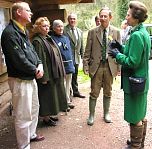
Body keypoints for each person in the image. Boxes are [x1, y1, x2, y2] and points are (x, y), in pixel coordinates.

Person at [1, 2, 45, 149]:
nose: (31, 13)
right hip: (20, 80)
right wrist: (35, 70)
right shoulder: (9, 33)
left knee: (34, 108)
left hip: (30, 78)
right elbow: (18, 59)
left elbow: (31, 52)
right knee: (22, 114)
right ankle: (23, 145)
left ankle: (31, 134)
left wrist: (39, 63)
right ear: (18, 12)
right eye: (28, 10)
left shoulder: (23, 30)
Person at [109, 1, 150, 148]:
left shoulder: (136, 35)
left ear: (136, 17)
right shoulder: (142, 32)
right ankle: (139, 143)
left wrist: (117, 55)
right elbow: (135, 51)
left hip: (135, 82)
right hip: (141, 81)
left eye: (128, 14)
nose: (126, 17)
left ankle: (135, 146)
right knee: (140, 113)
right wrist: (121, 47)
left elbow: (133, 61)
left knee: (134, 116)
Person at [83, 6, 121, 126]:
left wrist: (119, 68)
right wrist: (85, 66)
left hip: (110, 66)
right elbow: (87, 51)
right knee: (94, 92)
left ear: (110, 17)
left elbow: (119, 51)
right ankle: (91, 115)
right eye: (101, 16)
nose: (103, 18)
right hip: (97, 66)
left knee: (108, 92)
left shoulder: (116, 32)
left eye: (105, 16)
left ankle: (106, 113)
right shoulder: (92, 32)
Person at [32, 17, 69, 125]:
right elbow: (40, 60)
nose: (47, 28)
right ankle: (46, 118)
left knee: (52, 95)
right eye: (44, 26)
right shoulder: (38, 41)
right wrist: (44, 78)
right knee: (46, 96)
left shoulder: (47, 37)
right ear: (38, 27)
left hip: (53, 73)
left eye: (48, 26)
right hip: (47, 74)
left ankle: (49, 116)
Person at [51, 19, 75, 109]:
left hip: (69, 66)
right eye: (58, 26)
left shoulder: (66, 38)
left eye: (62, 26)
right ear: (53, 28)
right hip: (61, 67)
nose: (61, 28)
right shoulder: (52, 39)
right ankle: (63, 104)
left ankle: (67, 101)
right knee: (62, 85)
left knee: (68, 85)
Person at [64, 13, 85, 98]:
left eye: (74, 19)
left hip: (76, 56)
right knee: (68, 75)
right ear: (68, 20)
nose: (72, 20)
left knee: (75, 74)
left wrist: (83, 57)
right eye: (71, 19)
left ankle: (75, 91)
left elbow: (81, 45)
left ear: (76, 20)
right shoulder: (64, 30)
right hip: (68, 57)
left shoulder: (79, 31)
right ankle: (68, 94)